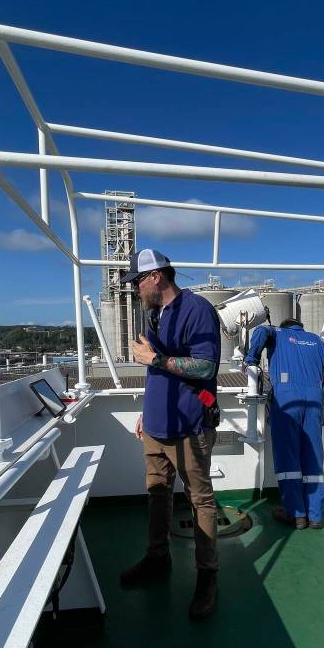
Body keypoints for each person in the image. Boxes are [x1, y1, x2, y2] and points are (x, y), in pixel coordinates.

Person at [118, 249, 222, 620]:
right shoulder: (153, 315)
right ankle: (157, 557)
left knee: (200, 501)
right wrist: (147, 413)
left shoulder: (197, 310)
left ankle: (207, 576)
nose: (134, 290)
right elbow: (154, 374)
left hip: (190, 425)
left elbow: (206, 366)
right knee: (157, 494)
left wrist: (157, 359)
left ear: (156, 277)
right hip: (157, 426)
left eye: (137, 282)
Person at [244, 317, 324, 529]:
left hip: (288, 398)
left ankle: (296, 514)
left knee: (288, 456)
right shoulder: (319, 341)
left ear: (284, 326)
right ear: (301, 326)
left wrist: (251, 359)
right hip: (315, 400)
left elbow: (262, 331)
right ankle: (315, 515)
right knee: (314, 457)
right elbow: (321, 367)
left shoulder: (277, 333)